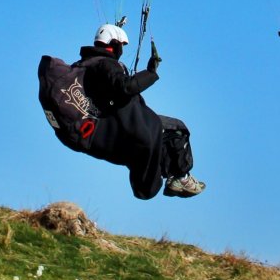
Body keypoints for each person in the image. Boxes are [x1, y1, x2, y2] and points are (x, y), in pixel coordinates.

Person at [37, 24, 205, 201]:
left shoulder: (85, 64)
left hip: (100, 137)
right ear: (114, 44)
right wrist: (150, 73)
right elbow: (126, 87)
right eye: (121, 46)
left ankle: (170, 175)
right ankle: (181, 178)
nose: (122, 50)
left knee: (160, 137)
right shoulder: (105, 64)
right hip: (115, 129)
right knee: (178, 129)